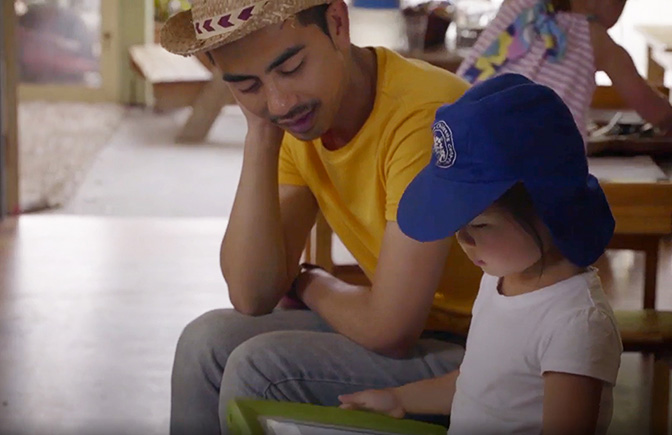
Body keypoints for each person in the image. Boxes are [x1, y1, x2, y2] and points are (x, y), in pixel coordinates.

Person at [160, 0, 483, 432]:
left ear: (336, 23)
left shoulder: (424, 117)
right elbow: (251, 293)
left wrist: (310, 281)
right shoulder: (297, 119)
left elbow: (390, 329)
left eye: (291, 67)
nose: (279, 102)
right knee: (205, 342)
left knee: (260, 368)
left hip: (492, 353)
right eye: (247, 85)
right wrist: (260, 133)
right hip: (426, 336)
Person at [339, 74, 624, 434]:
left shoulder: (576, 323)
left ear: (547, 208)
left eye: (481, 225)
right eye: (459, 225)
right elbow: (477, 385)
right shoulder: (500, 279)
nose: (463, 240)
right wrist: (399, 399)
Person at [456, 0, 672, 141]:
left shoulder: (514, 6)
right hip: (543, 162)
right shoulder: (596, 39)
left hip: (466, 136)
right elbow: (650, 107)